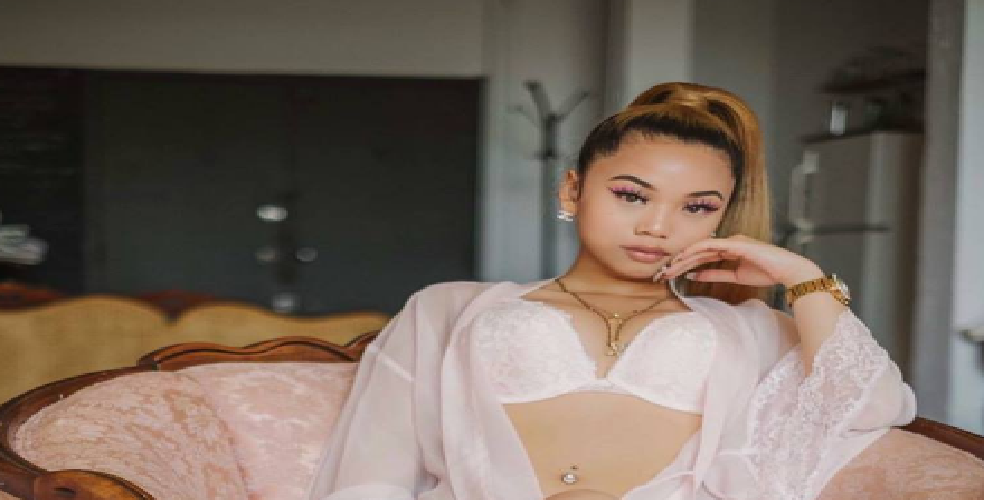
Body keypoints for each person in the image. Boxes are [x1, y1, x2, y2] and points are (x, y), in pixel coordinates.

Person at [305, 82, 917, 500]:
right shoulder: (447, 307)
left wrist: (800, 276)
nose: (657, 226)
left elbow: (874, 407)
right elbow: (373, 476)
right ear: (573, 191)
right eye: (631, 195)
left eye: (697, 207)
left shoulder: (749, 327)